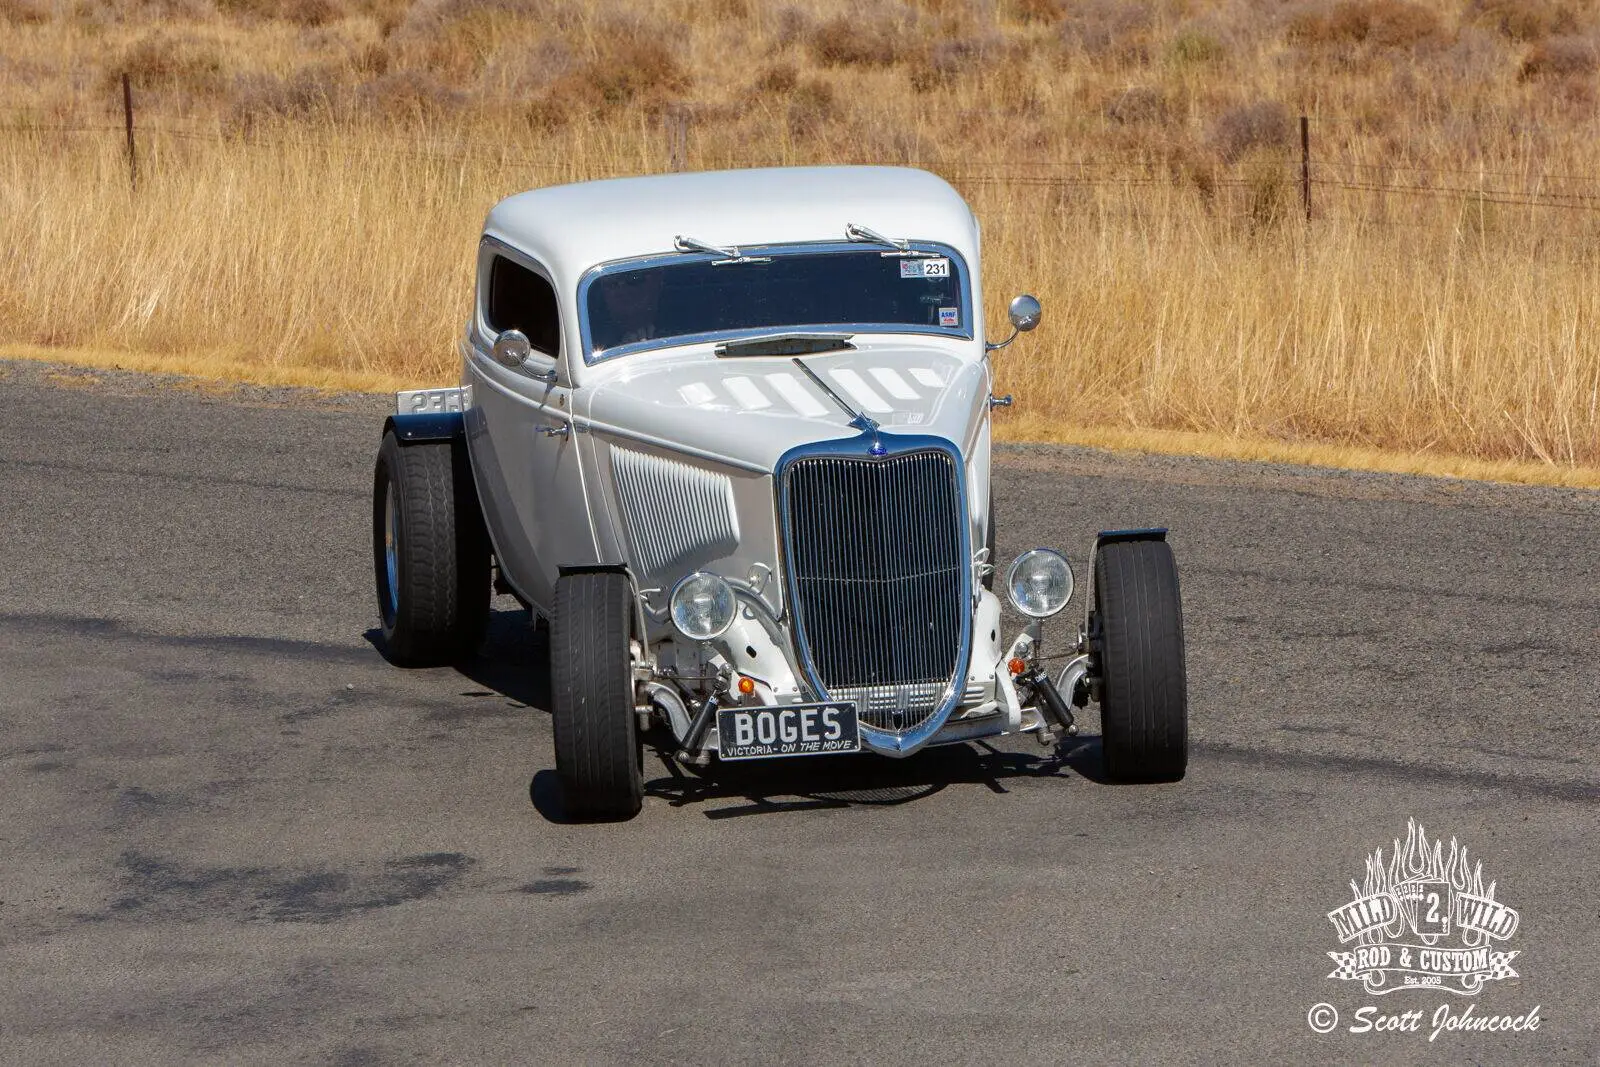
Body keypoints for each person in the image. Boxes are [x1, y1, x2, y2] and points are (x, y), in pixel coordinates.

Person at [597, 268, 665, 346]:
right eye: (612, 283)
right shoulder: (595, 341)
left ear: (657, 280)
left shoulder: (679, 325)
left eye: (635, 277)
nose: (622, 291)